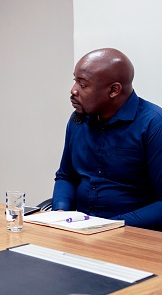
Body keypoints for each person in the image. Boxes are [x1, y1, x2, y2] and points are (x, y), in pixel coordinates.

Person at [52, 48, 162, 230]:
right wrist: (61, 212)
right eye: (75, 81)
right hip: (80, 234)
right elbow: (66, 177)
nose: (73, 91)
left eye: (83, 85)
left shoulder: (154, 125)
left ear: (113, 90)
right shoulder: (78, 120)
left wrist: (110, 226)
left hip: (133, 237)